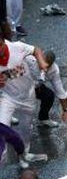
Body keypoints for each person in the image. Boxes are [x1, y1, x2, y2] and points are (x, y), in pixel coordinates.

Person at [0, 35, 49, 164]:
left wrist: (42, 62)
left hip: (28, 96)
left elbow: (36, 50)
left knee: (25, 129)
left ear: (3, 42)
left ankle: (23, 154)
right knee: (2, 130)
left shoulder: (17, 47)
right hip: (8, 98)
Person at [26, 50, 67, 128]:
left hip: (36, 86)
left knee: (49, 95)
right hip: (19, 83)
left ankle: (43, 118)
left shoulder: (54, 70)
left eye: (48, 67)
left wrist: (66, 111)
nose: (45, 69)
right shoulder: (29, 59)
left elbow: (60, 91)